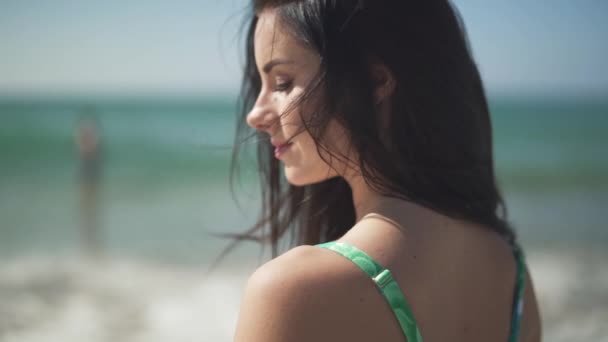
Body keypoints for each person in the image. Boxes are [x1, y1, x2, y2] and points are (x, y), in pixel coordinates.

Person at [229, 1, 541, 341]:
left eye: (282, 83)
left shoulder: (291, 291)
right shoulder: (512, 271)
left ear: (374, 79)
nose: (255, 115)